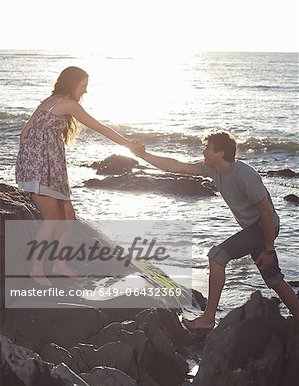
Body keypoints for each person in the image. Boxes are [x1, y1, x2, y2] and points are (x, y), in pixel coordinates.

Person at [130, 131, 299, 329]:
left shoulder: (245, 176)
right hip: (254, 230)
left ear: (220, 153)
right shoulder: (214, 170)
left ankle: (208, 318)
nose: (204, 152)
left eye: (207, 148)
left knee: (217, 257)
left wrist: (269, 248)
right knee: (274, 278)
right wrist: (143, 155)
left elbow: (267, 213)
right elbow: (176, 166)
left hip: (264, 228)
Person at [16, 66, 144, 286]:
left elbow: (25, 133)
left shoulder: (50, 100)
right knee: (53, 218)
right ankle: (36, 268)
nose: (85, 91)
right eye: (83, 85)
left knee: (67, 214)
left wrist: (31, 158)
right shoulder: (68, 104)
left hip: (47, 165)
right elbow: (100, 127)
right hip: (42, 167)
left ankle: (59, 263)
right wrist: (128, 145)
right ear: (72, 83)